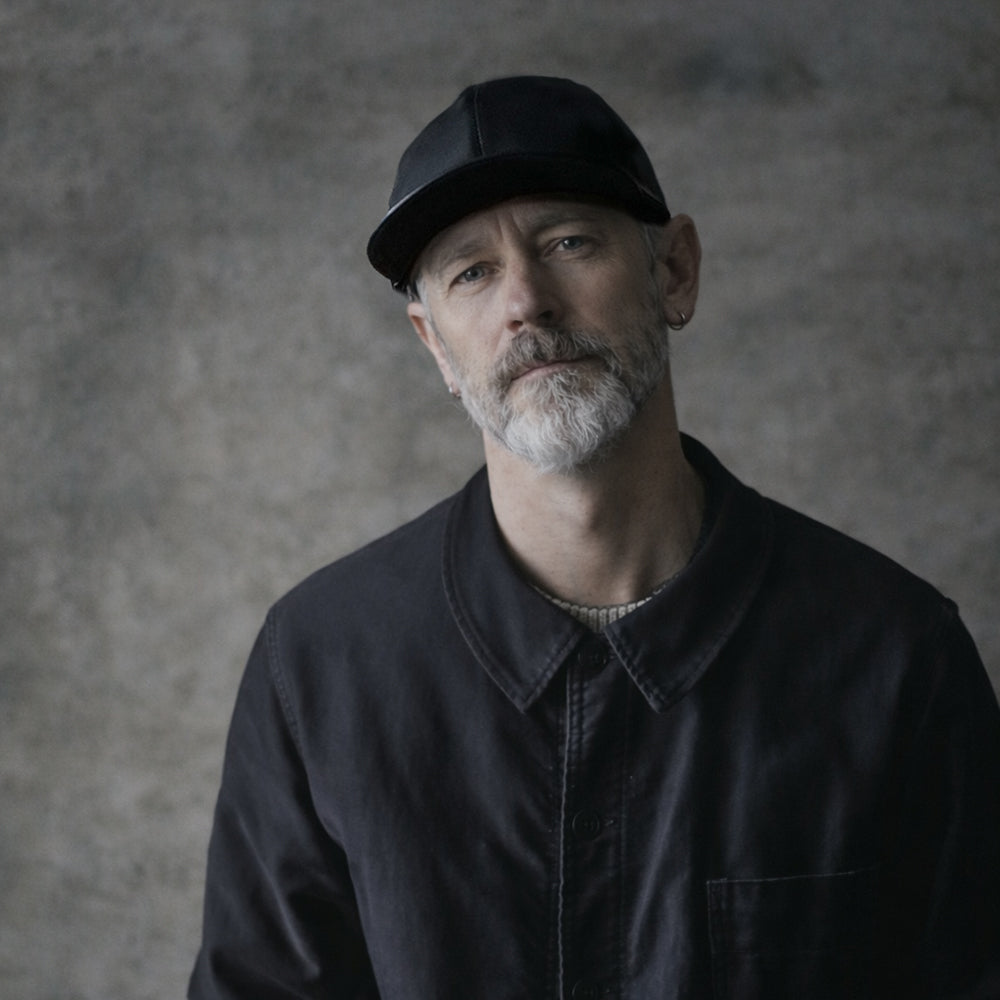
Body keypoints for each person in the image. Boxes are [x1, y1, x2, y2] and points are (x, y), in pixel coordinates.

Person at [188, 76, 1000, 999]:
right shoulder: (319, 667)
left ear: (674, 271)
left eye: (568, 243)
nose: (526, 302)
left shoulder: (895, 657)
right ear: (436, 345)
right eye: (471, 272)